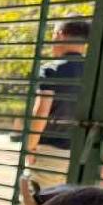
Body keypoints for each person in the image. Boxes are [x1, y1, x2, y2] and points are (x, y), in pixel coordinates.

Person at [25, 19, 90, 191]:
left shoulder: (51, 69)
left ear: (60, 35)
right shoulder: (93, 72)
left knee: (38, 203)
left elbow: (42, 111)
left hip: (50, 153)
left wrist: (30, 146)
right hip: (82, 155)